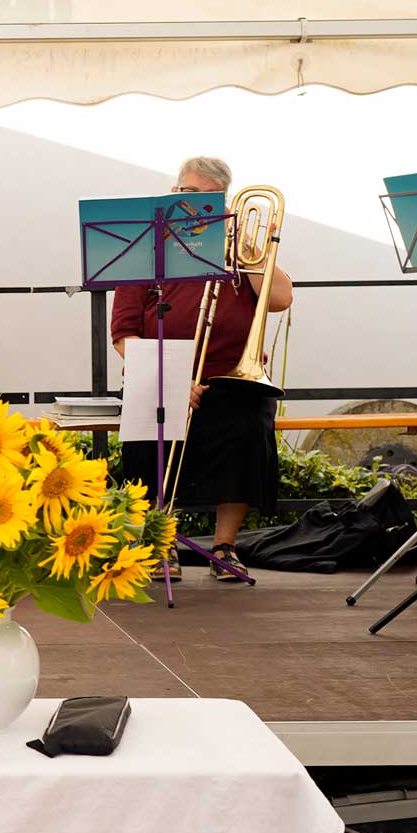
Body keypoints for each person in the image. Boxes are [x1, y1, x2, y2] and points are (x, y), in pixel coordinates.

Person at [112, 156, 292, 580]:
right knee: (148, 430)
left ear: (222, 202)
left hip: (231, 376)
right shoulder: (148, 250)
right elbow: (123, 335)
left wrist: (258, 249)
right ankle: (160, 543)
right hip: (160, 374)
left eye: (200, 197)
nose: (186, 203)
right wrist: (168, 379)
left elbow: (280, 298)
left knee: (249, 423)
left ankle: (224, 546)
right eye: (182, 193)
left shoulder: (241, 250)